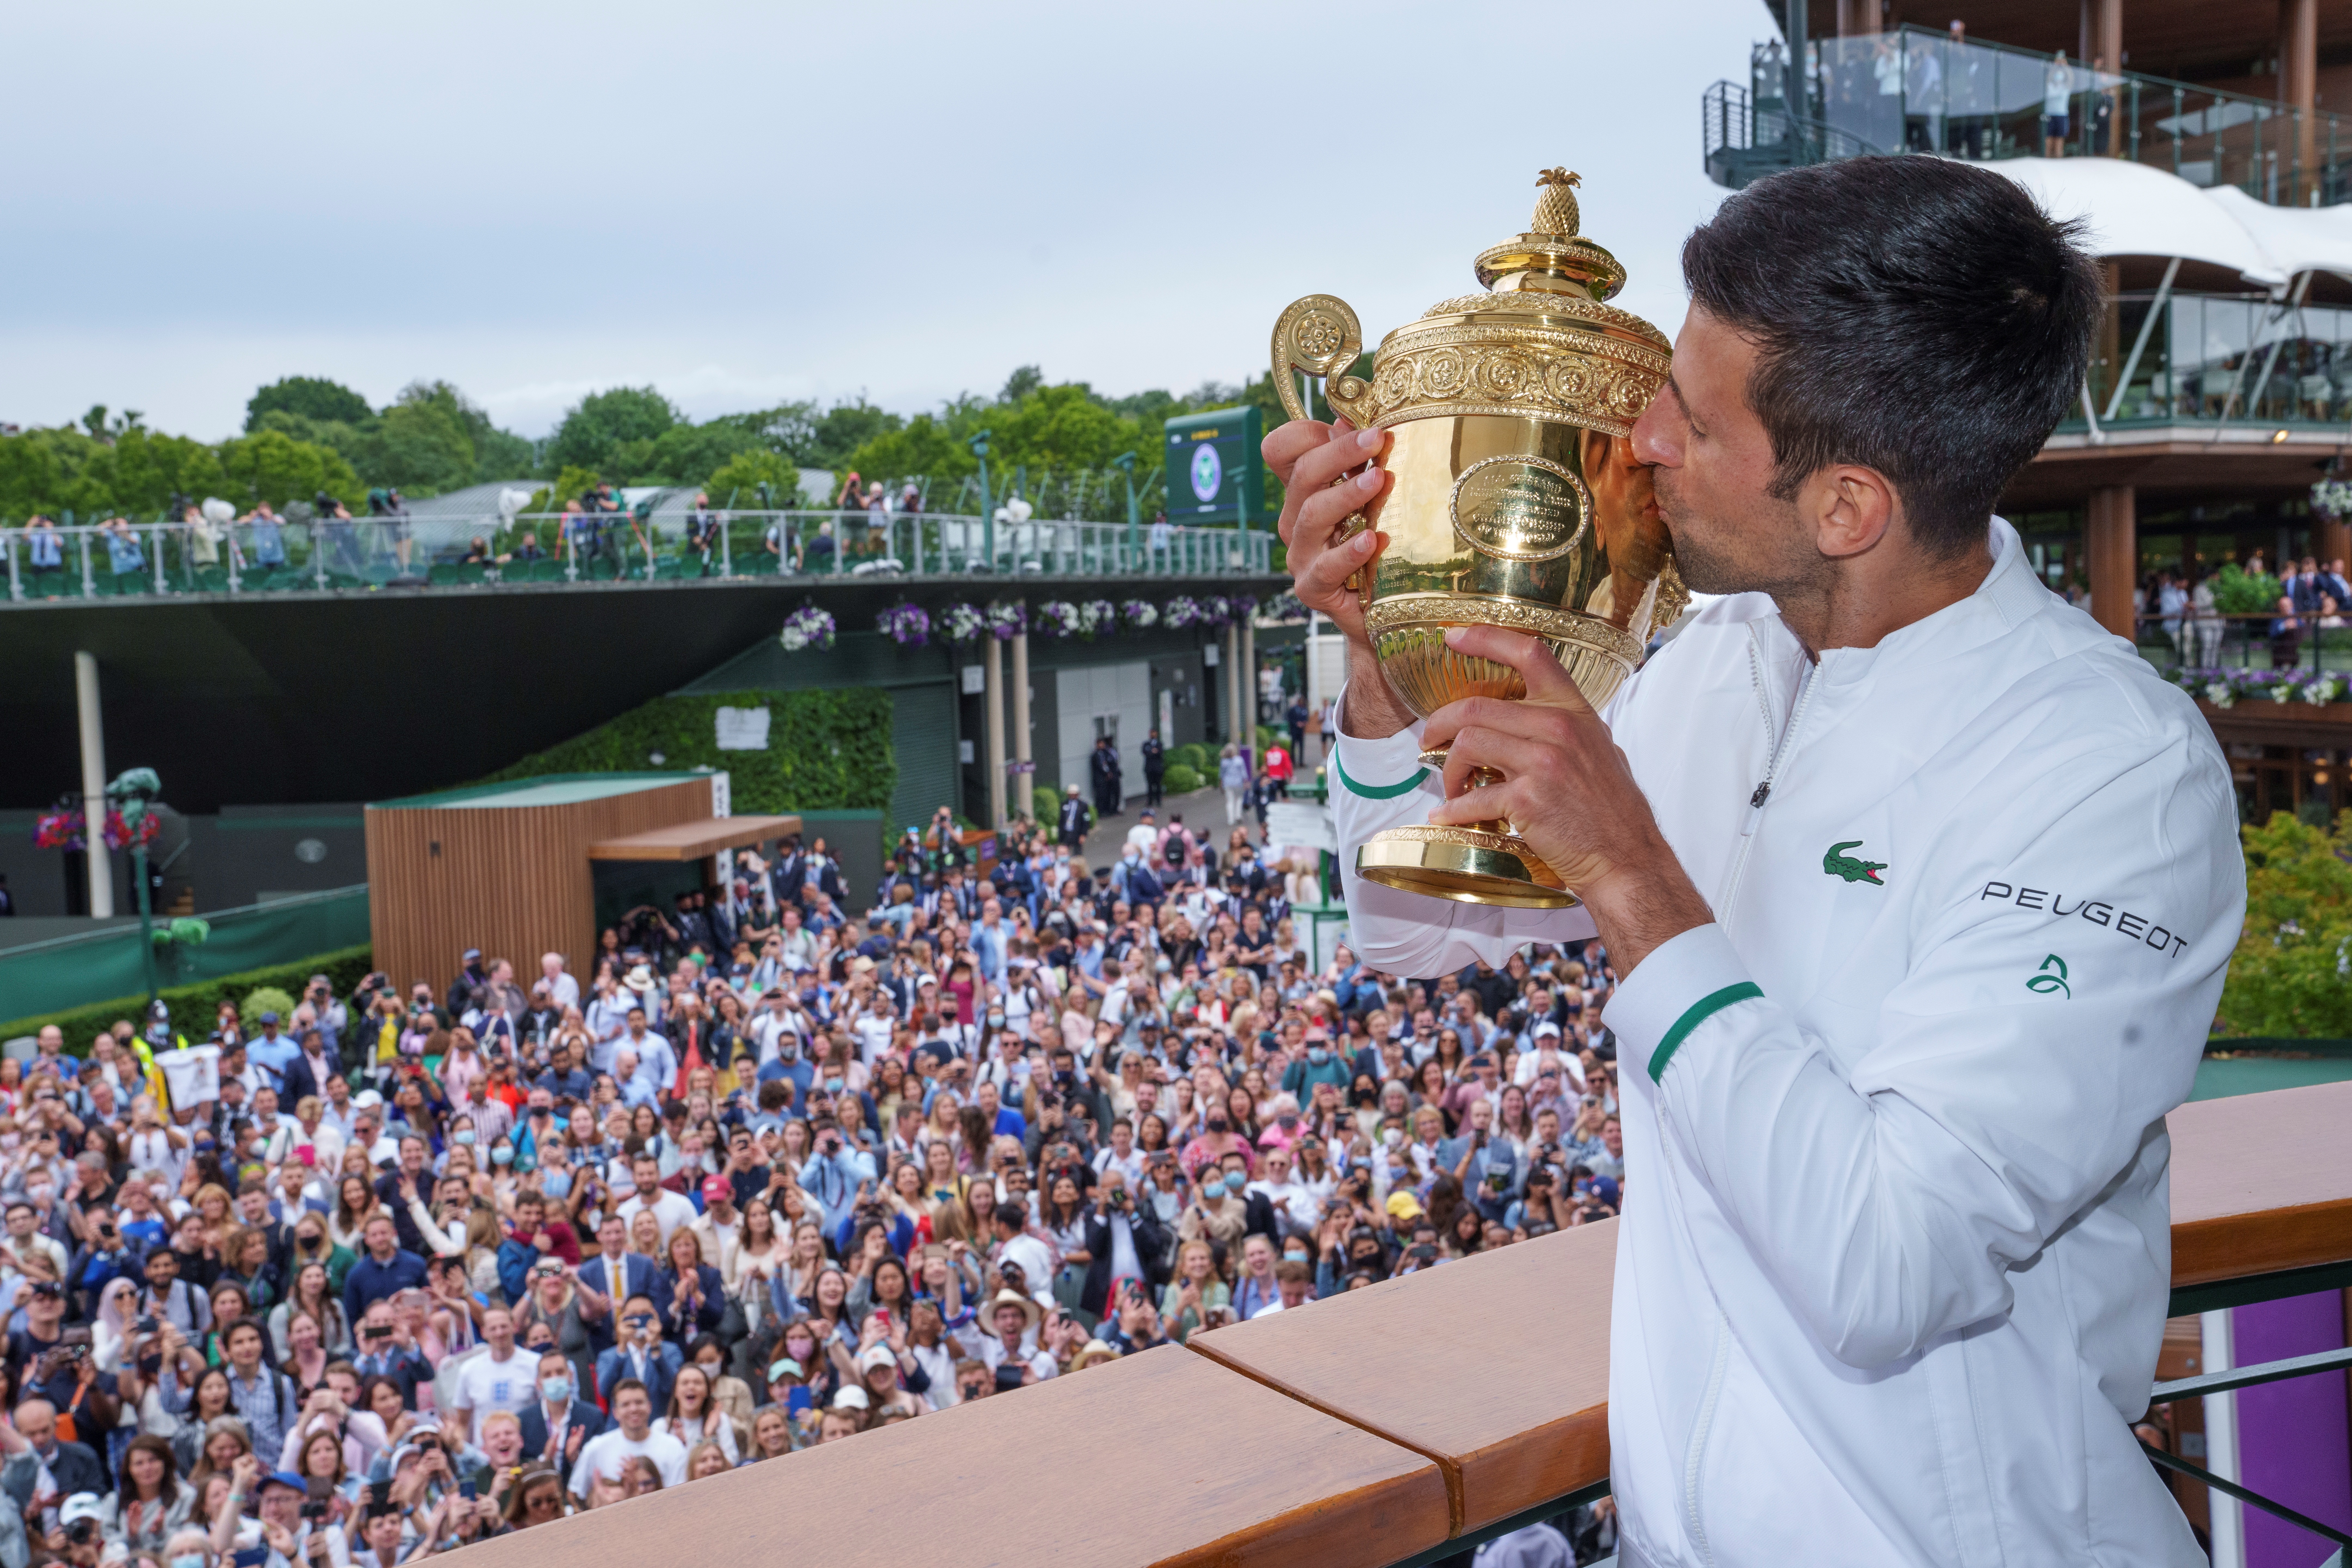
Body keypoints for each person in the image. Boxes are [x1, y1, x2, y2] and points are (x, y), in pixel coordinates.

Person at [1273, 155, 2241, 1564]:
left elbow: (1887, 1268)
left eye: (1689, 417)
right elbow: (1422, 933)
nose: (1641, 438)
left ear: (1848, 507)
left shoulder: (2113, 773)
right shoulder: (1715, 664)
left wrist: (1632, 877)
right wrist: (1380, 660)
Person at [566, 1380, 684, 1498]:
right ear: (615, 1413)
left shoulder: (673, 1447)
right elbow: (574, 1494)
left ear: (649, 1407)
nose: (633, 1409)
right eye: (626, 1405)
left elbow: (681, 1496)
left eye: (639, 1403)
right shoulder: (596, 1448)